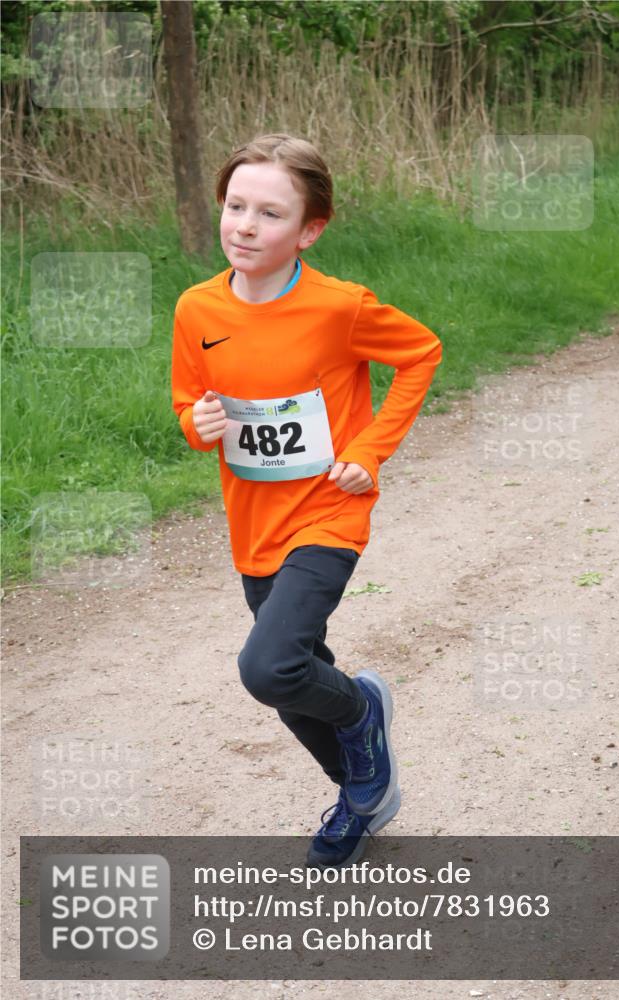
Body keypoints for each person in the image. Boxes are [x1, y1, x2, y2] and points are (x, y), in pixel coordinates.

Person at [171, 133, 442, 868]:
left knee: (269, 668)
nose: (245, 225)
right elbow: (190, 402)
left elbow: (420, 353)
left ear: (309, 230)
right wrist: (195, 424)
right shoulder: (195, 308)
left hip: (329, 512)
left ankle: (360, 708)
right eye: (235, 206)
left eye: (269, 213)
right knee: (294, 679)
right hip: (252, 521)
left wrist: (368, 448)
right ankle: (363, 792)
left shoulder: (338, 307)